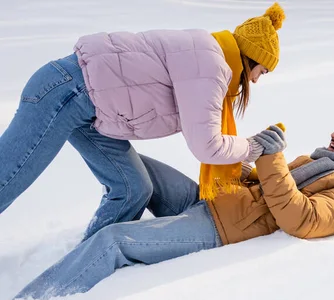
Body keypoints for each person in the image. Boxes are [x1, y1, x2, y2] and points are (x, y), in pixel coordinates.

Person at [13, 117, 334, 300]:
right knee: (132, 166)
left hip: (218, 230)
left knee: (114, 241)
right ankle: (72, 120)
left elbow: (301, 219)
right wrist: (247, 154)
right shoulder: (311, 161)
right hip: (208, 201)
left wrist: (272, 159)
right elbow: (256, 185)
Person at [0, 3, 285, 241]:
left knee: (133, 188)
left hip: (92, 108)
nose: (257, 79)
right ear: (252, 58)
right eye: (262, 70)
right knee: (7, 179)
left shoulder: (208, 54)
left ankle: (85, 259)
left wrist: (240, 158)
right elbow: (206, 145)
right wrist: (250, 146)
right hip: (67, 92)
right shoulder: (210, 66)